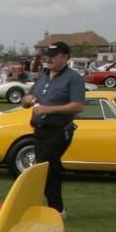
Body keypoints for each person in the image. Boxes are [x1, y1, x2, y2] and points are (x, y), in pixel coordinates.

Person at [20, 41, 85, 218]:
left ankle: (55, 208)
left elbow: (78, 105)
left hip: (58, 129)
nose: (49, 59)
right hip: (40, 129)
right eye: (47, 55)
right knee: (48, 167)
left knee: (46, 166)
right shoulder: (44, 77)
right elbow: (28, 98)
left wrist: (49, 110)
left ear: (64, 57)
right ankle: (53, 207)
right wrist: (27, 100)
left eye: (53, 56)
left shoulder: (73, 78)